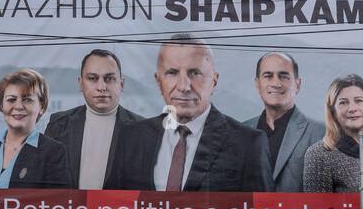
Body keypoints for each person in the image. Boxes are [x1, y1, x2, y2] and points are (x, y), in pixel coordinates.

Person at [105, 34, 270, 192]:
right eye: (172, 73)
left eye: (195, 73)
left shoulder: (249, 145)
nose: (184, 86)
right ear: (158, 81)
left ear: (214, 80)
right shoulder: (130, 138)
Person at [43, 49, 142, 189]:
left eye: (109, 78)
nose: (101, 87)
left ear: (121, 84)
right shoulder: (59, 124)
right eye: (93, 78)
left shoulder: (142, 129)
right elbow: (45, 183)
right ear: (80, 83)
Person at [244, 51, 325, 193]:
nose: (276, 83)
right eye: (268, 76)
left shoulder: (321, 133)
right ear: (257, 84)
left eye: (284, 76)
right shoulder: (240, 132)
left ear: (298, 84)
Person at [0, 69, 71, 189]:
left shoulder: (54, 152)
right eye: (11, 100)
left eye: (27, 100)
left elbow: (59, 204)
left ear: (41, 107)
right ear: (1, 105)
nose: (18, 106)